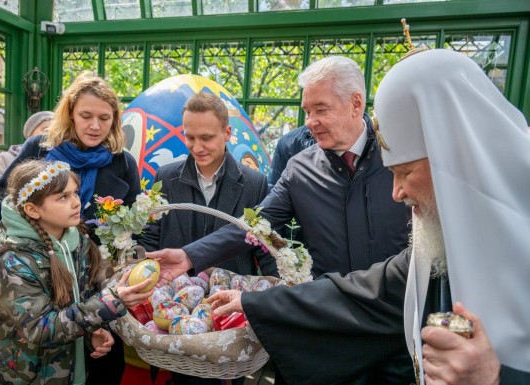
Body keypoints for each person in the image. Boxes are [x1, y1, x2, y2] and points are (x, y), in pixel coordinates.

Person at [205, 49, 530, 384]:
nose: (397, 193)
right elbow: (368, 289)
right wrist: (257, 302)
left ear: (452, 156)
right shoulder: (436, 239)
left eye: (404, 172)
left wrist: (496, 377)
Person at [149, 56, 413, 384]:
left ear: (356, 103)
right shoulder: (300, 168)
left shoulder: (400, 159)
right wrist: (189, 256)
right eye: (307, 111)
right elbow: (254, 226)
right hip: (324, 327)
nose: (311, 121)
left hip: (395, 331)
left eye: (321, 109)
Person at [0, 72, 142, 385]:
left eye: (104, 118)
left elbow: (133, 225)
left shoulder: (122, 162)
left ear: (114, 120)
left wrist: (126, 260)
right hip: (39, 275)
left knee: (99, 366)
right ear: (70, 112)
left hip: (95, 279)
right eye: (86, 116)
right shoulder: (39, 148)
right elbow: (7, 199)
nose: (95, 126)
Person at [137, 92, 277, 385]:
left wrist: (275, 292)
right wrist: (136, 266)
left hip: (229, 317)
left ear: (227, 133)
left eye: (206, 138)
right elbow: (150, 235)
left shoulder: (255, 184)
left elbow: (265, 248)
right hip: (176, 309)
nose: (197, 147)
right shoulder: (166, 176)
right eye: (190, 138)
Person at [0, 160, 153, 385]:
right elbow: (40, 329)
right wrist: (108, 304)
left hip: (68, 371)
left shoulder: (78, 242)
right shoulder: (13, 261)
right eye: (63, 197)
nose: (76, 202)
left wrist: (88, 335)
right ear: (32, 209)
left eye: (75, 193)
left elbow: (76, 303)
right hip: (24, 376)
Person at [0, 111, 55, 194]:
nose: (51, 134)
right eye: (46, 129)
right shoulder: (6, 158)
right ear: (30, 135)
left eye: (56, 130)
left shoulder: (61, 159)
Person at [268, 124, 314, 189]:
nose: (310, 121)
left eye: (321, 113)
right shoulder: (287, 143)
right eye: (308, 113)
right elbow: (274, 187)